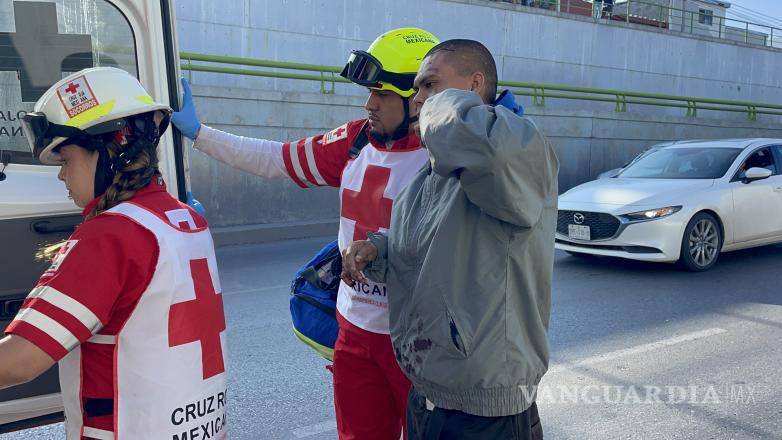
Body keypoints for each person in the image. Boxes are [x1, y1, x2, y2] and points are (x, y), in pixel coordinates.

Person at [171, 28, 440, 439]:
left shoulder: (450, 155)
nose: (369, 104)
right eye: (369, 93)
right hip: (353, 331)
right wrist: (201, 135)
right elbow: (275, 159)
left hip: (420, 343)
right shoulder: (355, 140)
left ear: (419, 99)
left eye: (381, 94)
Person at [341, 39, 559, 439]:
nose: (418, 97)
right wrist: (377, 251)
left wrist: (438, 107)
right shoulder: (432, 174)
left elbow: (485, 150)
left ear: (475, 84)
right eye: (418, 89)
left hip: (486, 412)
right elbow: (431, 253)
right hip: (428, 397)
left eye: (428, 85)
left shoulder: (519, 145)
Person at [2, 67, 228, 439]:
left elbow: (21, 361)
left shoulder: (112, 235)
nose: (61, 177)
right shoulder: (185, 219)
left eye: (65, 161)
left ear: (111, 149)